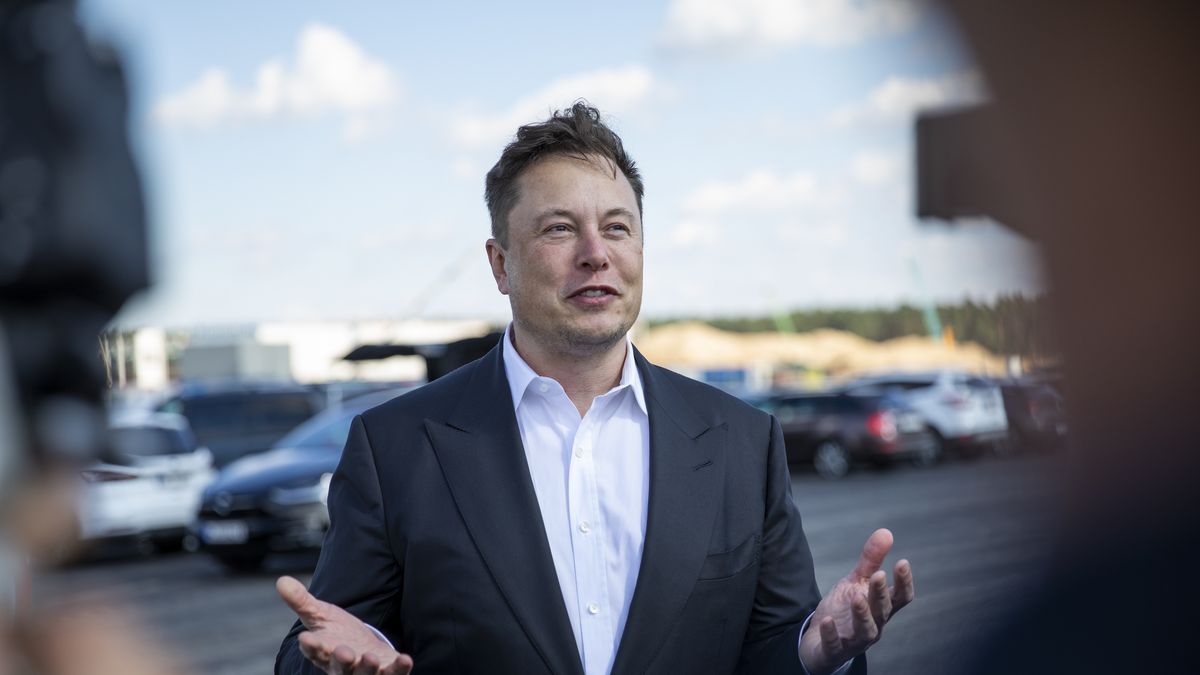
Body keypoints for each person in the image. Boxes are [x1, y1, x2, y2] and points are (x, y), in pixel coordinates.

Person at [274, 103, 914, 675]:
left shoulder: (742, 442)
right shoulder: (396, 448)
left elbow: (772, 644)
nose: (595, 253)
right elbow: (326, 641)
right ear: (500, 264)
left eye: (616, 227)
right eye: (558, 228)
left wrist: (815, 652)